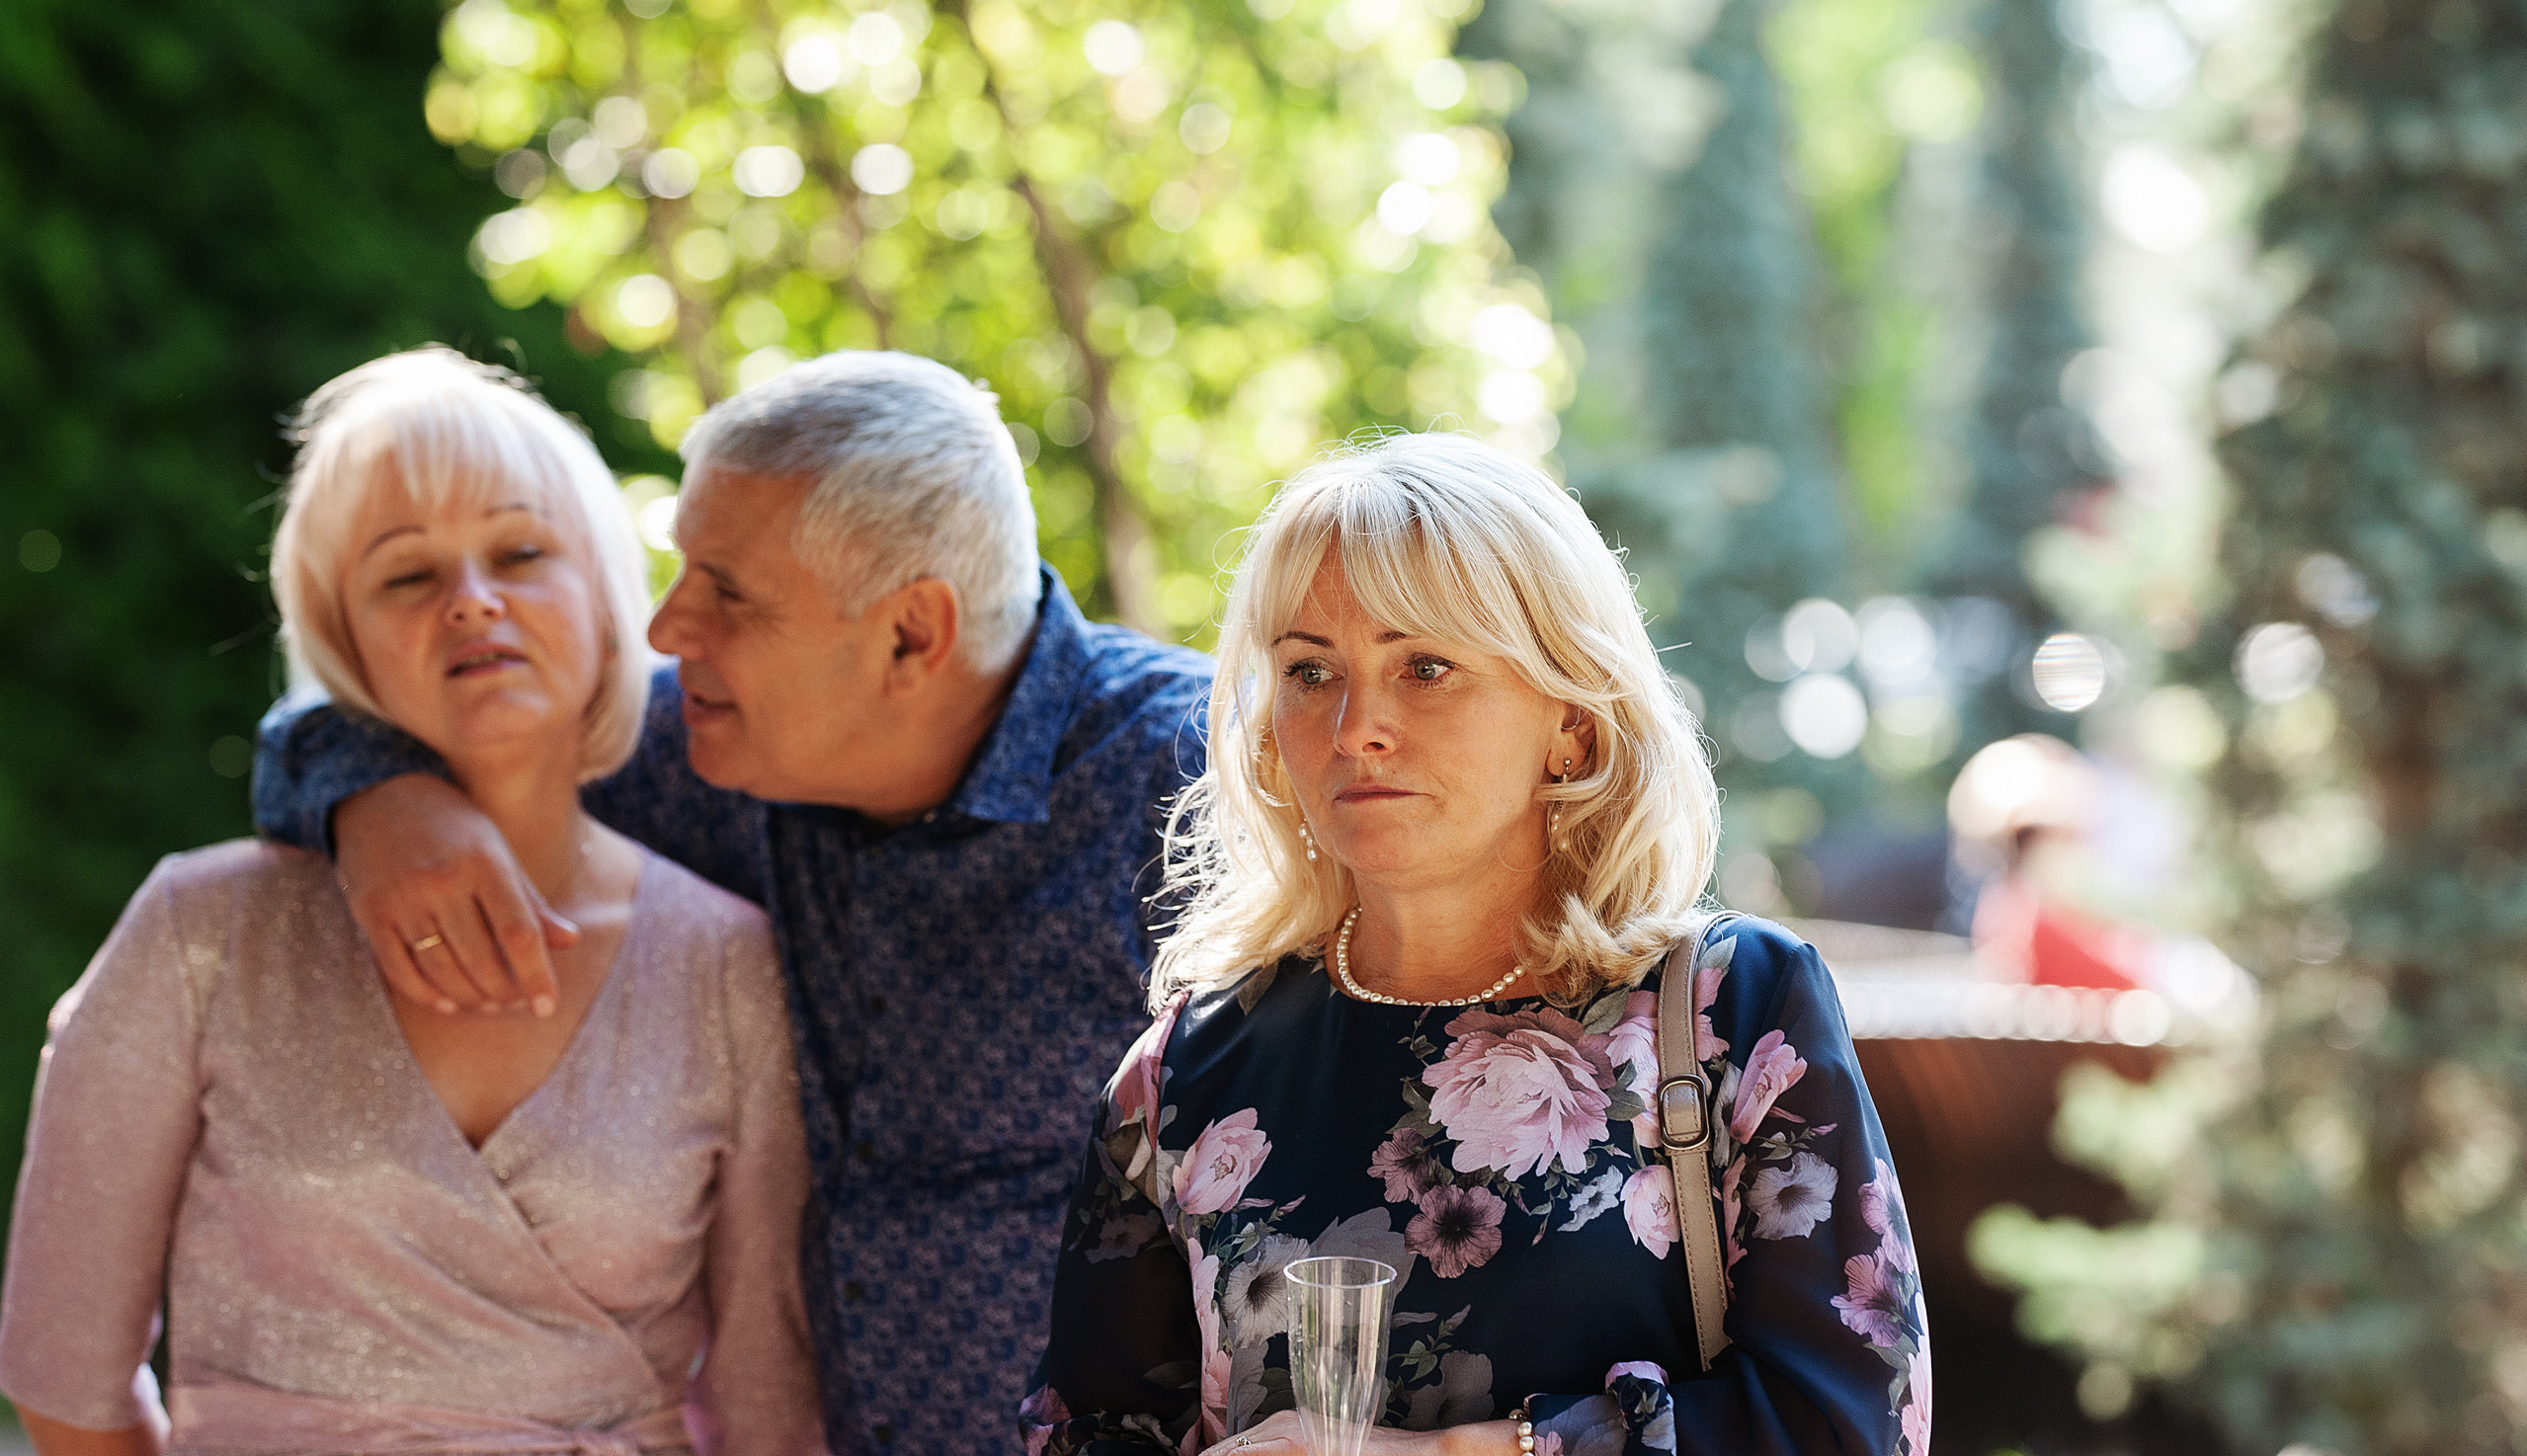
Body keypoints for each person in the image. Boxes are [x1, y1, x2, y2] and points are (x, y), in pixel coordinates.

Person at [251, 351, 1212, 1454]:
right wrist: (381, 800)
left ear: (910, 634)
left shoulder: (1196, 793)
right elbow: (316, 734)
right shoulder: (702, 754)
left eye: (727, 593)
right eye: (681, 572)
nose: (665, 632)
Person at [1024, 434, 1933, 1456]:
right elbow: (1085, 1434)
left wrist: (1467, 1454)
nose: (1357, 725)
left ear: (1571, 726)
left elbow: (1850, 1424)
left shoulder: (1728, 1011)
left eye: (1425, 666)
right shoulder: (1183, 1070)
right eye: (1310, 670)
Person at [0, 350, 825, 1454]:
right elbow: (64, 1375)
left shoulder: (729, 963)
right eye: (406, 575)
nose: (473, 601)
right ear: (345, 639)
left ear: (608, 595)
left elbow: (767, 1409)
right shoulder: (197, 935)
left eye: (521, 552)